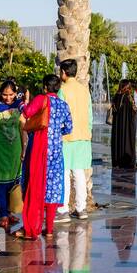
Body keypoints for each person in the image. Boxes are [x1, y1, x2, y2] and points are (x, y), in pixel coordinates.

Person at [20, 74, 72, 239]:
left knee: (35, 185)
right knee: (52, 189)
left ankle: (32, 226)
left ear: (44, 87)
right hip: (56, 151)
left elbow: (27, 113)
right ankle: (49, 230)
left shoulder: (41, 99)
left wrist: (22, 103)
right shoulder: (63, 105)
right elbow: (69, 128)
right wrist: (56, 132)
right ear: (58, 88)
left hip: (39, 150)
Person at [57, 59, 93, 223]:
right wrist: (89, 130)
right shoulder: (84, 90)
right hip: (83, 135)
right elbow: (90, 113)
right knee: (79, 172)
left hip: (66, 136)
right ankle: (81, 208)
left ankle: (63, 210)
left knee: (64, 173)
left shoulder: (62, 90)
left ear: (63, 73)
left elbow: (59, 113)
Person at [0, 79, 25, 228]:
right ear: (0, 93)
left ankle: (10, 212)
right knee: (1, 184)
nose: (8, 98)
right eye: (5, 94)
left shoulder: (19, 106)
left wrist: (24, 149)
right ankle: (2, 214)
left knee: (13, 183)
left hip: (15, 150)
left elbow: (23, 128)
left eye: (11, 94)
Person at [110, 79, 137, 169]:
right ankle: (128, 161)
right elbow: (134, 111)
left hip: (117, 127)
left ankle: (117, 161)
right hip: (127, 127)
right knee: (128, 141)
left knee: (117, 141)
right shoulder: (129, 97)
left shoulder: (115, 97)